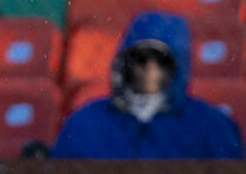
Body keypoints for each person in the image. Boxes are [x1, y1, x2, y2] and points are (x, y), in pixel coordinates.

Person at [52, 11, 244, 158]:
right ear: (126, 62)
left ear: (178, 67)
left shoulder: (212, 126)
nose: (150, 69)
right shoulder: (86, 123)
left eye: (162, 61)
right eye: (141, 59)